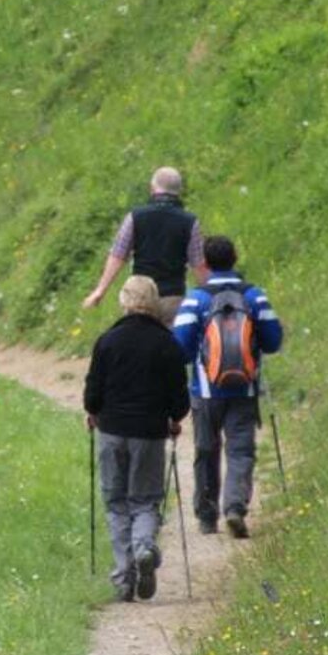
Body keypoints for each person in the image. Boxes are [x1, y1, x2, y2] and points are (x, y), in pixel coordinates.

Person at [84, 275, 190, 602]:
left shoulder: (108, 340)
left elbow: (92, 396)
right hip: (149, 433)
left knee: (116, 502)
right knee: (144, 500)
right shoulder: (167, 343)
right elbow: (180, 401)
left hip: (112, 431)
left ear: (125, 301)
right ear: (154, 301)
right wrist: (173, 420)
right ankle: (144, 547)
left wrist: (95, 411)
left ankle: (124, 577)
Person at [172, 235, 283, 538]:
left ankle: (207, 517)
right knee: (240, 451)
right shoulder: (254, 296)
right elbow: (274, 342)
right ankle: (234, 508)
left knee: (206, 450)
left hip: (205, 392)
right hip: (244, 390)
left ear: (204, 263)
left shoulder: (195, 299)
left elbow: (179, 348)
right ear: (235, 259)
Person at [82, 166, 209, 326]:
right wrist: (211, 295)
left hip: (138, 297)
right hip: (172, 296)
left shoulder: (135, 216)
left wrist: (100, 290)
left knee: (137, 344)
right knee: (168, 347)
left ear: (152, 188)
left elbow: (118, 254)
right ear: (179, 191)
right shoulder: (190, 222)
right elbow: (198, 265)